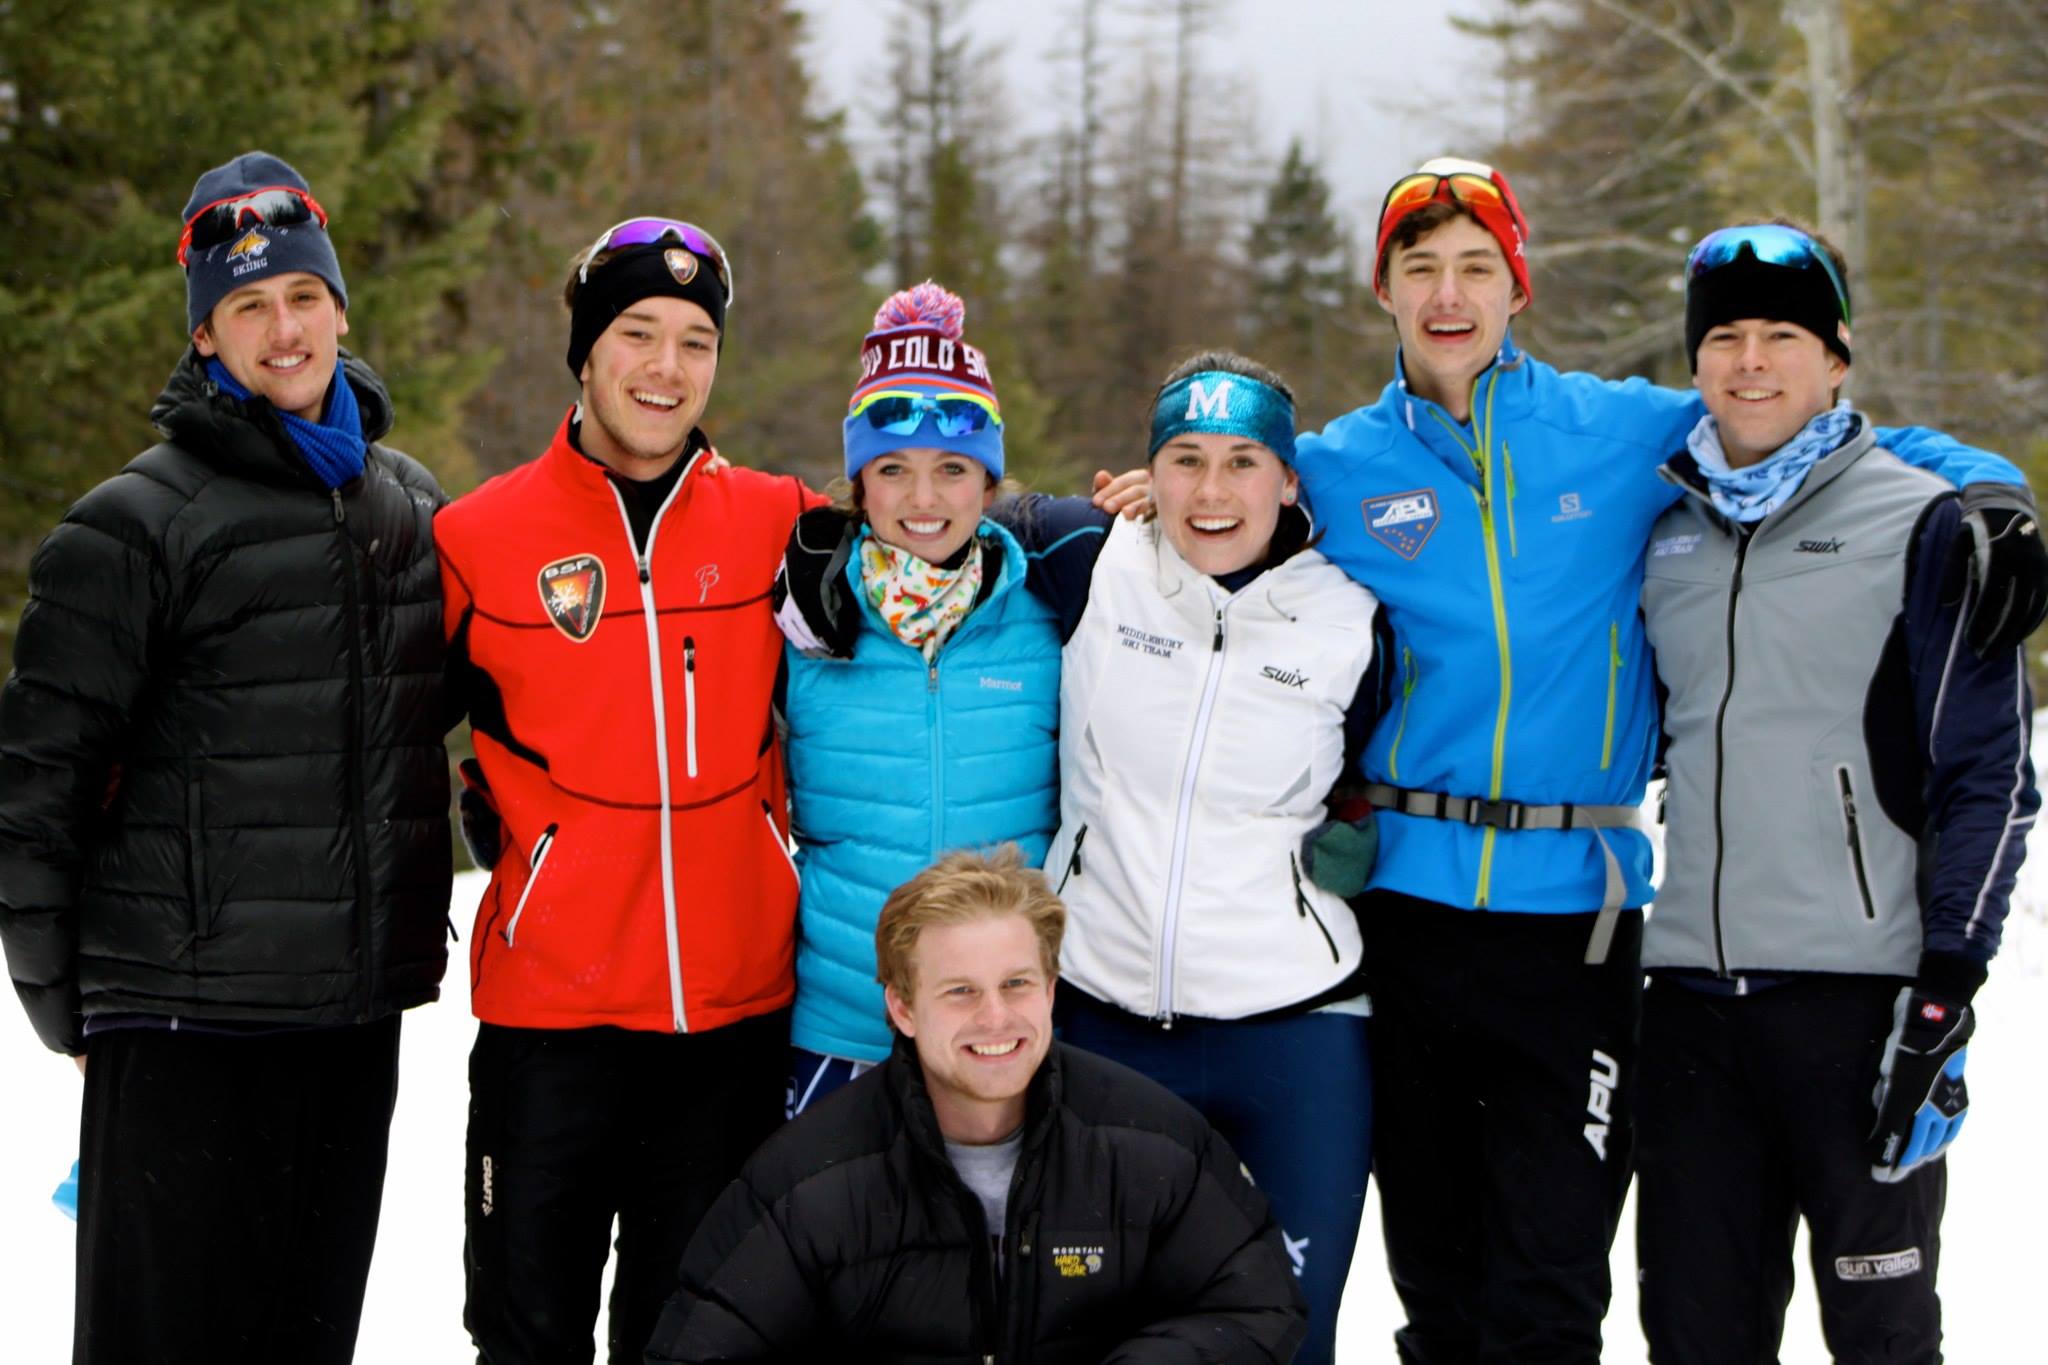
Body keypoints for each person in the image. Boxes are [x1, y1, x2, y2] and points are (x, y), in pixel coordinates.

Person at [1292, 157, 2046, 1363]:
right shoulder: (1329, 468)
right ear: (1379, 288)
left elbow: (1812, 427)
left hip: (1576, 921)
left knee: (1551, 1285)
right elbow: (1204, 500)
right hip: (1404, 909)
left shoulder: (1618, 431)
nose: (1448, 292)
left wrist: (1991, 488)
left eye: (1475, 266)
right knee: (1436, 1281)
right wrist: (1096, 514)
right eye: (1418, 268)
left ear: (1516, 287)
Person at [0, 150, 453, 1364]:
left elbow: (461, 706)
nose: (282, 327)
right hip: (188, 1020)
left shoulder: (405, 510)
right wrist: (68, 1002)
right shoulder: (132, 525)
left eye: (301, 296)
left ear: (340, 309)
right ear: (206, 338)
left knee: (308, 1336)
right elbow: (37, 783)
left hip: (350, 1020)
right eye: (246, 306)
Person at [1634, 220, 2036, 1363]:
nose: (1748, 361)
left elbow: (1990, 776)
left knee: (1881, 1333)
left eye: (1779, 335)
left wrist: (1944, 990)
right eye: (1722, 338)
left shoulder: (1925, 523)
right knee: (1693, 1335)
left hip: (1858, 1005)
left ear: (1835, 360)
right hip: (1688, 1008)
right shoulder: (1664, 529)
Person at [434, 217, 818, 1363]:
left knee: (692, 1337)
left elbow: (944, 556)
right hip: (549, 1024)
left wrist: (1096, 529)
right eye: (637, 333)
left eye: (694, 342)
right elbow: (372, 741)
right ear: (586, 352)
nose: (665, 367)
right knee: (524, 1329)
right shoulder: (477, 538)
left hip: (729, 1018)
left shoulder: (782, 524)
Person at [1014, 350, 1380, 1364]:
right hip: (1101, 1017)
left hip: (1295, 1033)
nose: (1210, 492)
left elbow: (1375, 785)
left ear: (1289, 478)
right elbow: (929, 511)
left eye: (1240, 461)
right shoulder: (1087, 556)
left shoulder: (1350, 618)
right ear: (1146, 470)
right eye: (1182, 459)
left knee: (1288, 1337)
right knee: (1091, 1336)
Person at [643, 845, 1309, 1363]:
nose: (996, 1016)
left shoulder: (1153, 1143)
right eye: (960, 990)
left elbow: (1257, 1305)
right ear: (902, 1007)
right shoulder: (808, 1180)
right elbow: (698, 1348)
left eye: (1017, 983)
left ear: (1050, 989)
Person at [774, 281, 1070, 1116]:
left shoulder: (1048, 612)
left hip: (1002, 1025)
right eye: (893, 470)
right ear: (859, 482)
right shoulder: (805, 622)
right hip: (844, 1022)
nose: (924, 498)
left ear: (988, 481)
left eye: (952, 469)